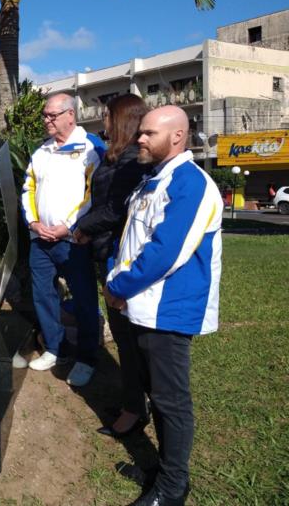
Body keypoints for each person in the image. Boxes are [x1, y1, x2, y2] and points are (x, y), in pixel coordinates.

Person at [105, 105, 222, 506]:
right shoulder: (152, 180)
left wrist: (118, 284)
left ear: (177, 137)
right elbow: (129, 242)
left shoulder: (191, 184)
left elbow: (166, 252)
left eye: (149, 133)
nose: (139, 138)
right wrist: (113, 275)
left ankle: (173, 486)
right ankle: (161, 469)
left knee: (171, 401)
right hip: (141, 305)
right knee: (156, 394)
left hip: (168, 310)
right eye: (140, 132)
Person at [73, 94, 151, 437]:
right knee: (123, 337)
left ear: (121, 120)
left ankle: (134, 410)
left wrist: (83, 228)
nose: (102, 120)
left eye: (107, 115)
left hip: (119, 253)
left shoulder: (133, 160)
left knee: (128, 337)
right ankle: (132, 402)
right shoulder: (116, 154)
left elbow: (116, 209)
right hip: (107, 249)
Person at [20, 93, 104, 387]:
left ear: (71, 115)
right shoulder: (41, 151)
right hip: (39, 239)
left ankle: (87, 357)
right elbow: (28, 187)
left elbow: (93, 193)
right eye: (45, 115)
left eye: (52, 115)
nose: (46, 120)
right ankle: (56, 349)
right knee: (44, 294)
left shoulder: (91, 147)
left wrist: (67, 227)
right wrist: (32, 222)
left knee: (84, 299)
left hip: (74, 240)